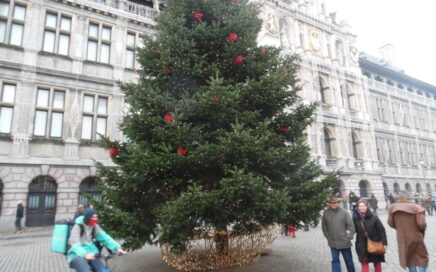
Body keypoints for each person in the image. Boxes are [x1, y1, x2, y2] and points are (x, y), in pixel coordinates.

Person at [388, 190, 428, 272]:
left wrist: (400, 228)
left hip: (402, 238)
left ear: (399, 197)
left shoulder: (392, 208)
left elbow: (390, 223)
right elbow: (422, 224)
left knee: (409, 258)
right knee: (422, 258)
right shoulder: (416, 207)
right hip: (416, 236)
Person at [322, 195, 356, 272]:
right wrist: (329, 237)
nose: (333, 204)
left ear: (337, 203)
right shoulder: (326, 213)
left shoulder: (344, 212)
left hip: (345, 242)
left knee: (349, 262)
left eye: (335, 202)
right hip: (333, 243)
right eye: (331, 203)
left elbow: (351, 226)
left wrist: (347, 237)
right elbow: (324, 227)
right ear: (329, 203)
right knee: (335, 261)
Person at [353, 200, 387, 272]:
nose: (362, 208)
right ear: (358, 207)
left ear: (367, 206)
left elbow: (381, 230)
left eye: (363, 206)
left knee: (377, 262)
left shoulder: (374, 217)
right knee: (364, 262)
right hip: (362, 244)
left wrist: (385, 243)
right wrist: (348, 231)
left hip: (375, 243)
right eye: (360, 206)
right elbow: (353, 229)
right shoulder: (355, 218)